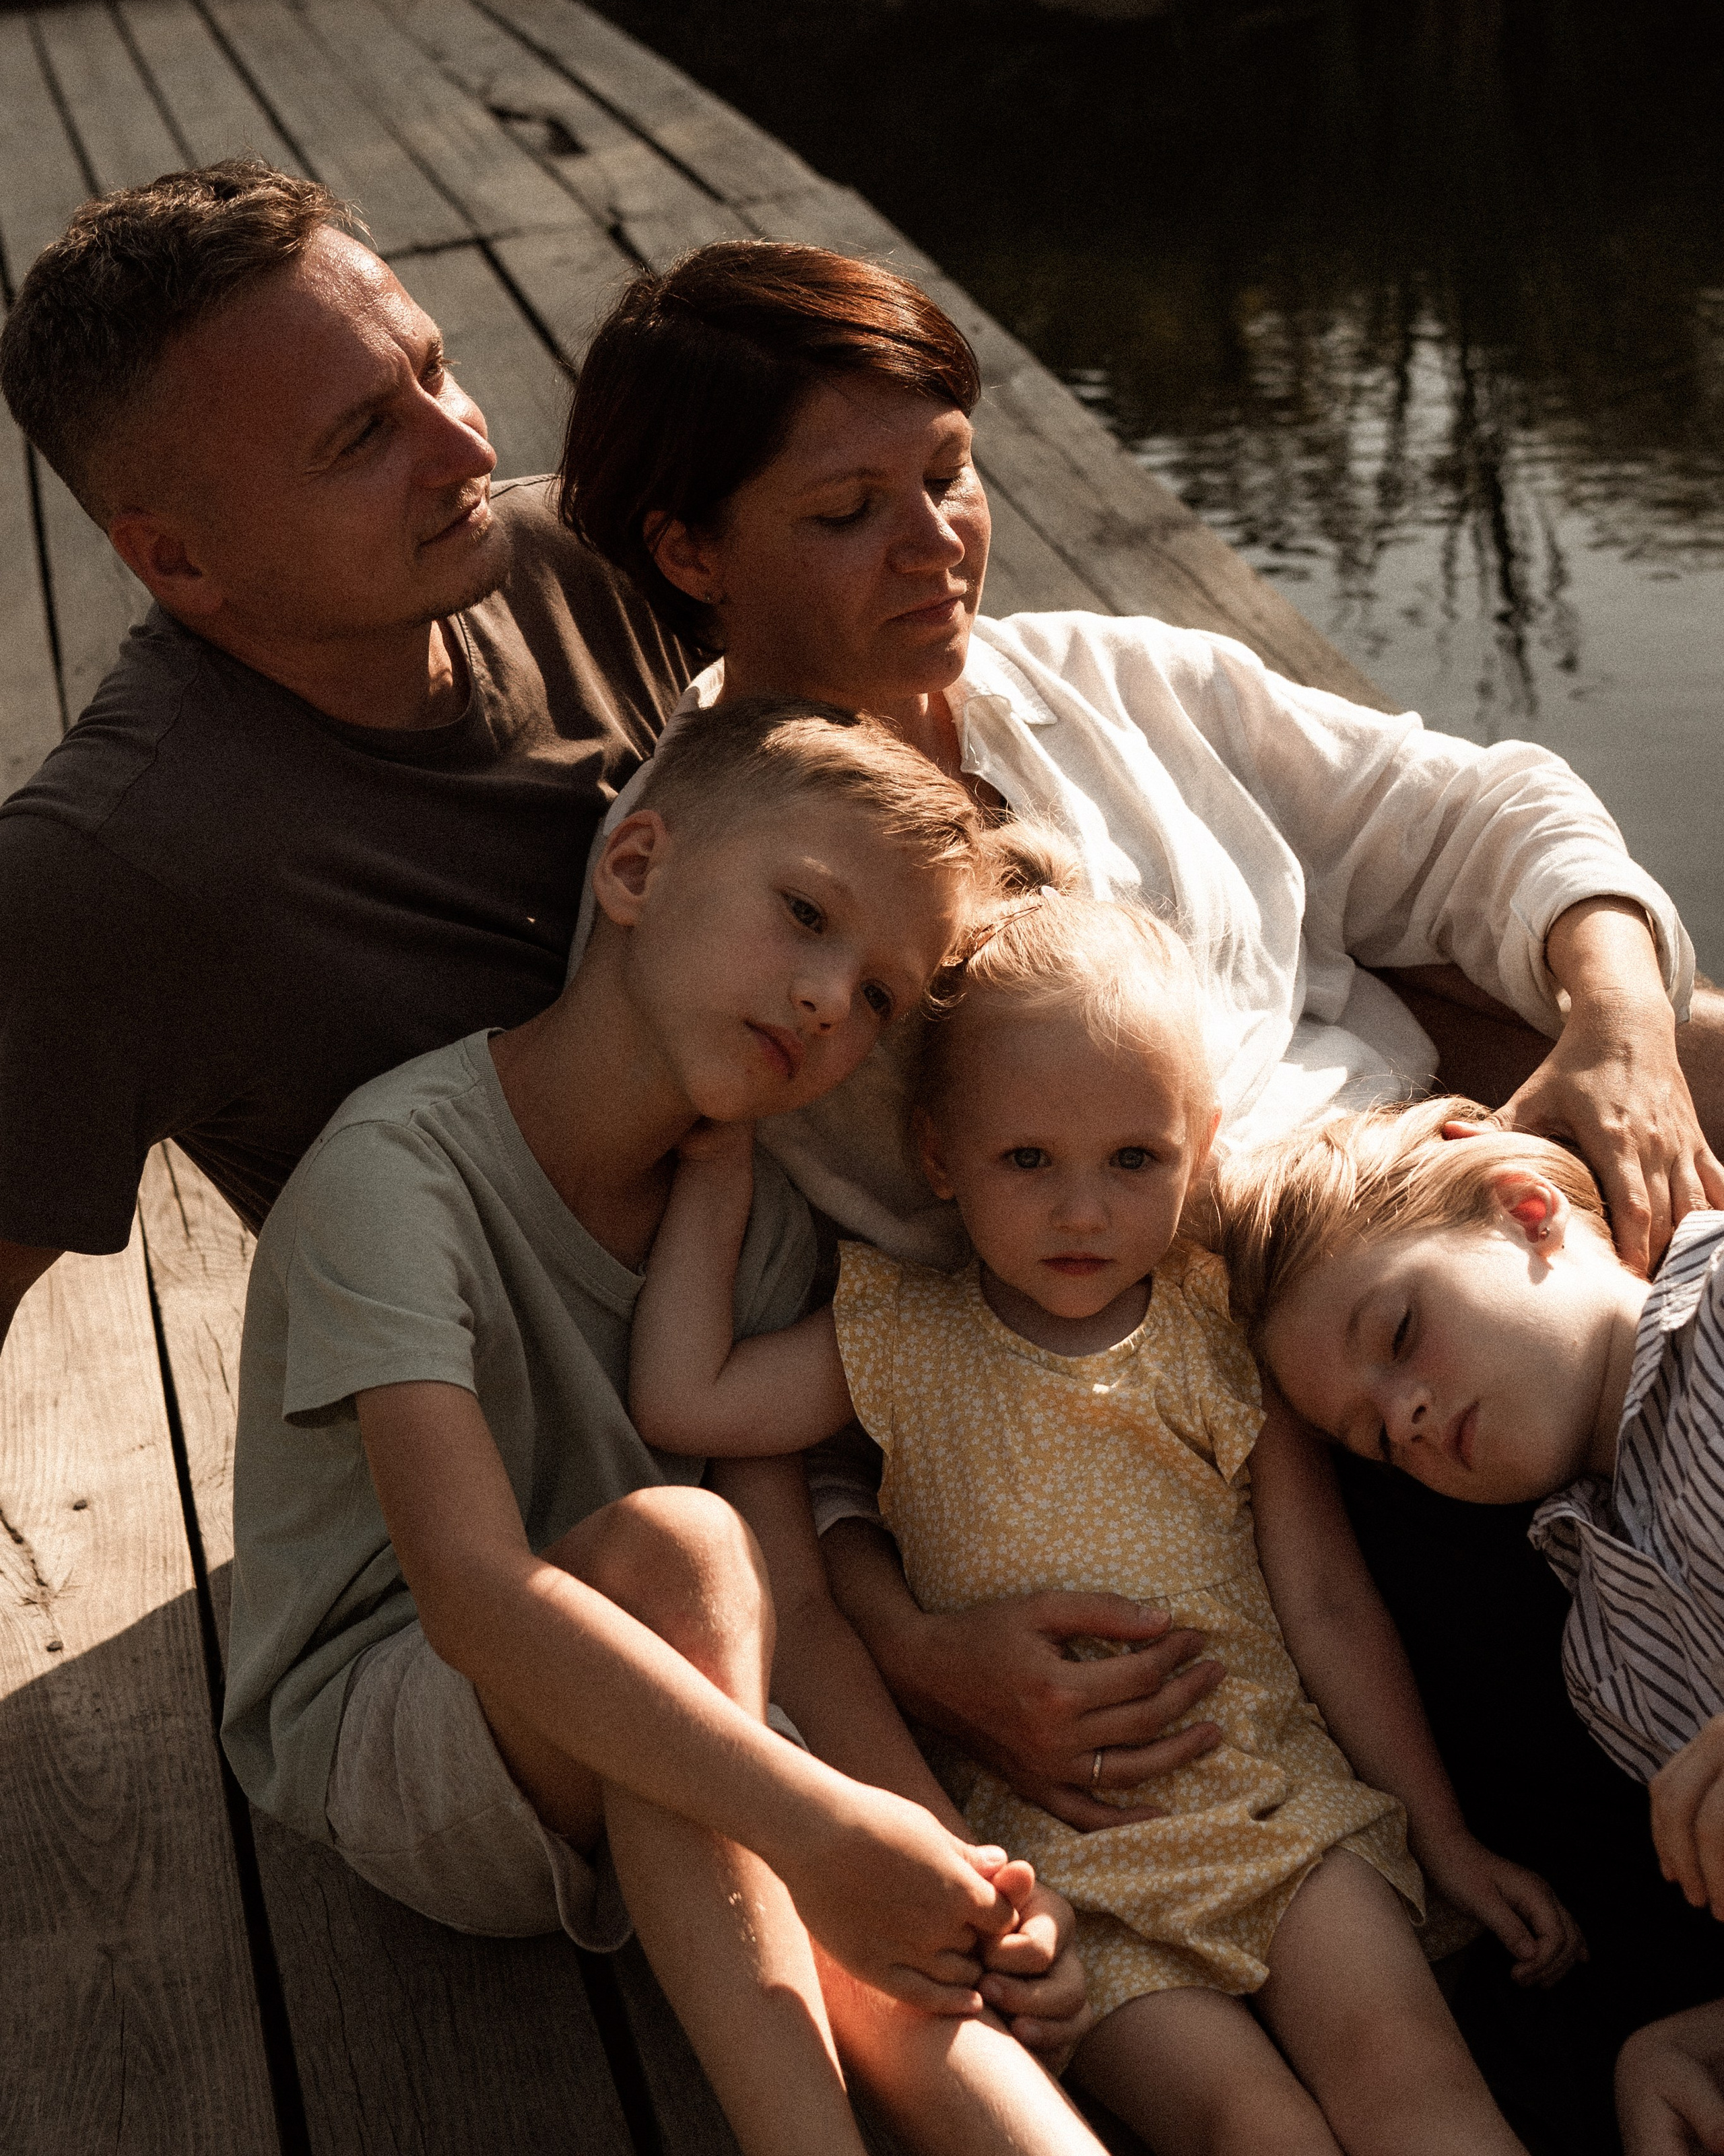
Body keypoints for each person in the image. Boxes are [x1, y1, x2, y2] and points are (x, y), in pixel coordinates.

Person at [556, 236, 1724, 2143]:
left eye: (949, 474)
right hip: (1252, 1429)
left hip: (1452, 1228)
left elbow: (1469, 812)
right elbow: (779, 1372)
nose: (936, 543)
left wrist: (1613, 1019)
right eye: (849, 512)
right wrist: (906, 1648)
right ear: (692, 550)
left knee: (1706, 1035)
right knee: (1549, 1779)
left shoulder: (1105, 682)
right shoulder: (717, 900)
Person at [223, 695, 1101, 2156]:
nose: (828, 1001)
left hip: (684, 1714)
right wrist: (823, 1826)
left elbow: (795, 1611)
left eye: (880, 999)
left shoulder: (750, 1232)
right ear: (634, 868)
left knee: (853, 1891)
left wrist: (957, 1873)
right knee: (689, 1574)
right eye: (803, 915)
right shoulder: (397, 1175)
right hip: (401, 1727)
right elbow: (473, 1594)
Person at [630, 861, 1575, 2153]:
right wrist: (719, 1163)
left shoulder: (1221, 1326)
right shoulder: (894, 1335)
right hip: (1071, 1862)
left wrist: (1444, 1833)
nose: (1083, 1210)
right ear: (940, 1156)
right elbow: (686, 1395)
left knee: (1415, 2084)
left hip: (1276, 1801)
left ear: (1199, 1146)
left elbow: (1326, 1603)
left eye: (1136, 1158)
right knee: (1253, 2127)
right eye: (1027, 1159)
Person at [0, 160, 690, 1343]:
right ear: (177, 562)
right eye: (364, 435)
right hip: (540, 1432)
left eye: (433, 368)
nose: (464, 447)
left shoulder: (590, 557)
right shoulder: (110, 866)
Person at [1211, 1094, 1724, 2154]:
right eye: (1372, 1440)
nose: (1402, 1416)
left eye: (1401, 1333)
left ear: (1525, 1206)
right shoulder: (1602, 1658)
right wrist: (1681, 2049)